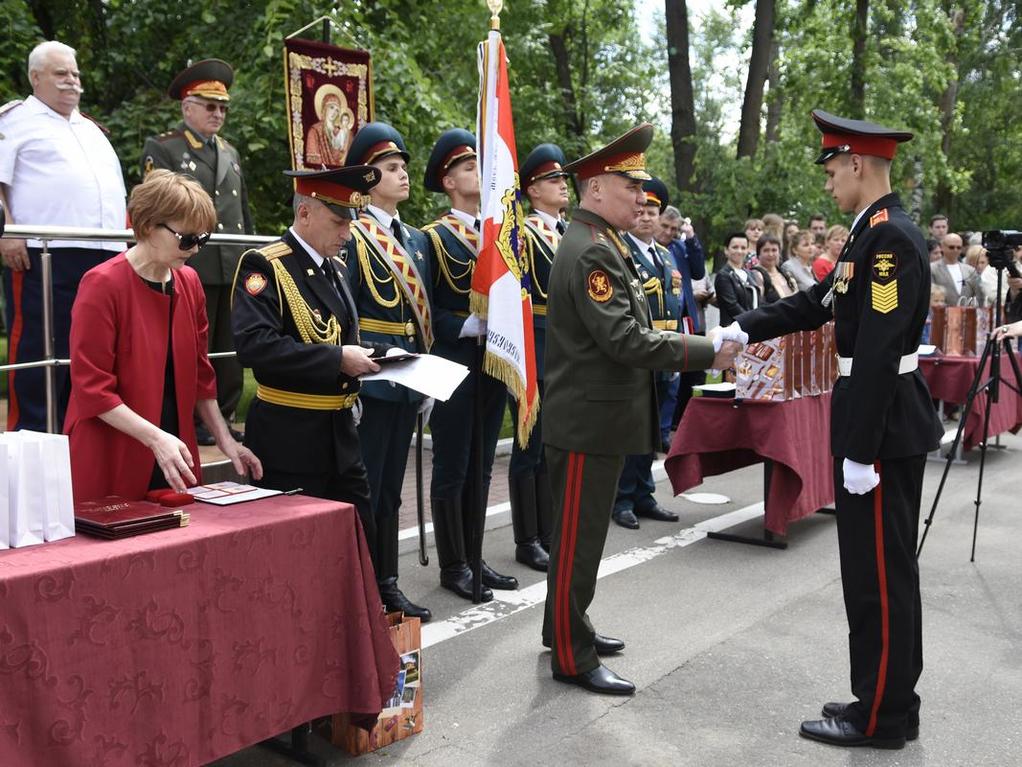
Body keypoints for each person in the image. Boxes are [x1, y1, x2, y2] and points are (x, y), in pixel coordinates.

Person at [718, 109, 944, 749]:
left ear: (857, 163)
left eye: (831, 169)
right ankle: (891, 697)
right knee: (881, 570)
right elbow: (816, 304)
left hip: (881, 423)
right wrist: (746, 328)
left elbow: (876, 348)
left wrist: (861, 451)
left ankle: (880, 717)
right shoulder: (870, 233)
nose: (827, 185)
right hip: (879, 417)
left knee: (878, 573)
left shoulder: (891, 239)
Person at [540, 123, 741, 695]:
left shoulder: (598, 242)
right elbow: (627, 339)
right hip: (587, 421)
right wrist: (709, 350)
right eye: (632, 187)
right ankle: (572, 657)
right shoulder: (592, 251)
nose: (641, 198)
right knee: (579, 543)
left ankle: (564, 629)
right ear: (599, 187)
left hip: (592, 417)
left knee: (577, 539)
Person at [64, 170, 260, 502]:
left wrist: (226, 442)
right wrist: (156, 439)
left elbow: (201, 376)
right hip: (114, 450)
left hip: (172, 447)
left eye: (203, 239)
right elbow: (92, 389)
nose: (195, 250)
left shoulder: (190, 282)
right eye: (187, 239)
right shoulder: (102, 284)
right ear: (147, 226)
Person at [231, 166, 387, 556]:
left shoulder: (335, 267)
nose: (347, 234)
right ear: (305, 213)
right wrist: (337, 359)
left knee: (358, 541)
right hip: (291, 438)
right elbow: (255, 346)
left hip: (340, 434)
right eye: (338, 222)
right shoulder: (265, 266)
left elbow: (340, 334)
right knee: (294, 554)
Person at [0, 40, 126, 432]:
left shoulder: (90, 127)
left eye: (75, 74)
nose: (72, 81)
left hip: (105, 253)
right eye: (61, 74)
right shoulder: (13, 120)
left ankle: (81, 436)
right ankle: (34, 438)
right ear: (35, 77)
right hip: (45, 253)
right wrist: (5, 233)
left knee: (95, 352)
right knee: (42, 348)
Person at [421, 129, 517, 601]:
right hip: (454, 364)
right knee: (454, 465)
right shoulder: (433, 239)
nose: (478, 174)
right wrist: (465, 327)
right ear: (448, 182)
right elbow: (425, 312)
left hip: (493, 362)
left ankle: (475, 555)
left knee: (481, 466)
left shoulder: (495, 234)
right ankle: (453, 563)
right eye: (468, 168)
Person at [344, 122, 433, 621]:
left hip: (406, 380)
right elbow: (347, 309)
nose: (402, 175)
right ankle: (365, 586)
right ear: (368, 175)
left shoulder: (415, 240)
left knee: (394, 490)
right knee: (369, 487)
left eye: (403, 167)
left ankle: (389, 580)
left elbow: (420, 317)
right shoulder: (353, 234)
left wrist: (423, 377)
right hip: (373, 377)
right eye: (392, 168)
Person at [142, 58, 252, 445]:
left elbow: (243, 213)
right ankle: (195, 419)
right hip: (191, 259)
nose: (218, 114)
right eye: (210, 106)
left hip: (229, 263)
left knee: (229, 346)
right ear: (187, 107)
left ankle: (223, 415)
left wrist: (249, 256)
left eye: (223, 107)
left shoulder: (231, 153)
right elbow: (159, 206)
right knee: (194, 347)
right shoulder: (165, 147)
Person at [509, 143, 570, 572]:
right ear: (533, 190)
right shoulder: (526, 234)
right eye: (553, 180)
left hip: (567, 350)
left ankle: (549, 531)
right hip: (537, 345)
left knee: (552, 446)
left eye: (563, 178)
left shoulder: (570, 232)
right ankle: (527, 538)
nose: (562, 185)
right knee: (528, 446)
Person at [612, 177, 681, 530]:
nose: (646, 218)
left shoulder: (667, 256)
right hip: (641, 351)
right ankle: (622, 498)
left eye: (653, 212)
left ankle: (644, 492)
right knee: (632, 429)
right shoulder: (621, 253)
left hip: (666, 355)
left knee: (654, 429)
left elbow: (676, 305)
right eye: (642, 210)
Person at [656, 204, 709, 441]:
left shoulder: (679, 247)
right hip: (656, 321)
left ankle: (666, 431)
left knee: (676, 379)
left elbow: (698, 272)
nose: (668, 232)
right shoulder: (645, 248)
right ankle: (657, 431)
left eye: (673, 229)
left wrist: (691, 239)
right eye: (664, 226)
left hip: (683, 318)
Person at [714, 231, 758, 327]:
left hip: (751, 329)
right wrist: (754, 321)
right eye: (735, 247)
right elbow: (732, 306)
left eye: (743, 248)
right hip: (733, 331)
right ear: (726, 250)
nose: (739, 251)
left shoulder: (750, 274)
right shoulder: (723, 276)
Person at [930, 233, 985, 306]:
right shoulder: (932, 269)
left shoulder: (970, 270)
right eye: (951, 247)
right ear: (942, 247)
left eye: (959, 247)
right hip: (941, 314)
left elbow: (978, 295)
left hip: (967, 314)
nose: (955, 250)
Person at [306, 86, 354, 167]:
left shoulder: (341, 132)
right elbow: (313, 160)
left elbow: (348, 157)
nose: (334, 112)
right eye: (331, 107)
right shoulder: (315, 130)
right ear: (325, 108)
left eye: (337, 110)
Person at [751, 235, 797, 303]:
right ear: (758, 254)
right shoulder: (755, 275)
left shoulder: (786, 275)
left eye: (774, 250)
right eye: (766, 250)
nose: (770, 254)